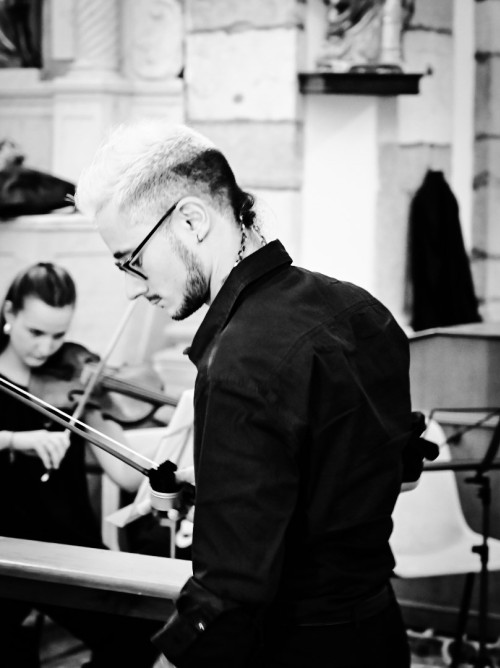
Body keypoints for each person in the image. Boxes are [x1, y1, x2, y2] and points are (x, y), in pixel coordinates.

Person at [75, 119, 425, 668]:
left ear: (191, 220)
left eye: (132, 260)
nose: (130, 288)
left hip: (296, 648)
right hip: (378, 632)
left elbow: (230, 594)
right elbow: (394, 470)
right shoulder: (361, 310)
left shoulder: (237, 362)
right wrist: (227, 483)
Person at [0, 262, 161, 668]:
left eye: (58, 335)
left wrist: (165, 463)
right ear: (9, 312)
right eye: (35, 332)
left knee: (137, 639)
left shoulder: (74, 379)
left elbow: (126, 475)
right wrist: (16, 440)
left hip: (68, 546)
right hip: (7, 548)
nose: (46, 348)